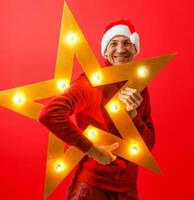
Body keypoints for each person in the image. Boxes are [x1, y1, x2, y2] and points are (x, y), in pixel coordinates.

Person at [39, 19, 156, 200]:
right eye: (113, 44)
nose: (120, 49)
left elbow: (147, 147)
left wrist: (133, 115)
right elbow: (50, 113)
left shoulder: (139, 86)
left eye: (126, 43)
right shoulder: (93, 82)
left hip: (128, 190)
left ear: (134, 48)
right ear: (105, 50)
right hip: (93, 187)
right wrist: (94, 151)